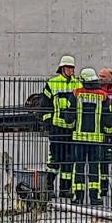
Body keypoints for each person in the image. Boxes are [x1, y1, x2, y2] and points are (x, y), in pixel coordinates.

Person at [42, 55, 82, 199]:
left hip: (71, 128)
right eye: (69, 67)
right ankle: (48, 187)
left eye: (72, 68)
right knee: (54, 159)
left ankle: (65, 189)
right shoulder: (52, 83)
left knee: (69, 160)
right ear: (62, 68)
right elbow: (45, 105)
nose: (71, 70)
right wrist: (48, 123)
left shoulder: (77, 85)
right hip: (57, 127)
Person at [71, 68, 110, 207]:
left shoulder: (76, 94)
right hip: (96, 140)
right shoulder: (103, 96)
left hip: (80, 138)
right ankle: (95, 197)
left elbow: (70, 116)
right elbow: (108, 119)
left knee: (79, 167)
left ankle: (78, 197)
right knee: (95, 168)